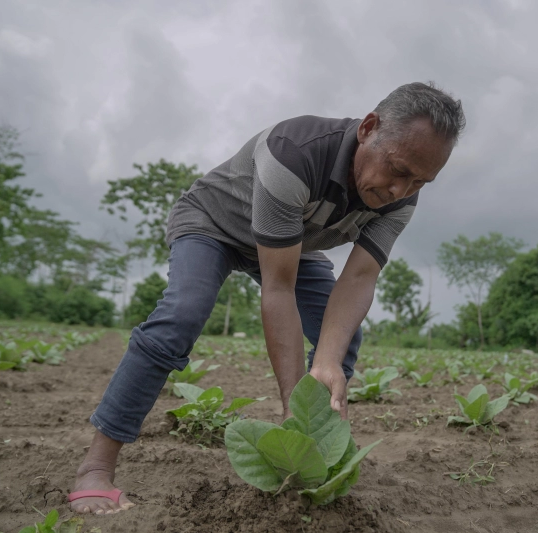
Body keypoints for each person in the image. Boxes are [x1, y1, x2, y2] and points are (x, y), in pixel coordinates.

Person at [68, 82, 465, 514]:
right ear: (369, 128)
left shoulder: (403, 197)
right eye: (397, 169)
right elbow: (280, 289)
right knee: (181, 316)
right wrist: (292, 404)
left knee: (340, 340)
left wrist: (327, 360)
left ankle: (313, 456)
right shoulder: (293, 154)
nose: (399, 191)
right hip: (215, 225)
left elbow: (360, 277)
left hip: (291, 244)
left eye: (419, 181)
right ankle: (95, 468)